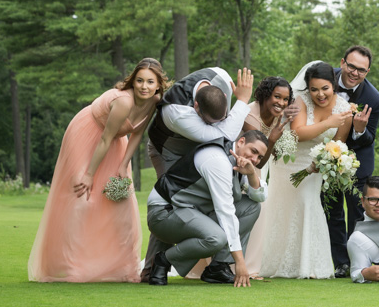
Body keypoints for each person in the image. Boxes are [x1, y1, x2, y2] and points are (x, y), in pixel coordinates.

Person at [28, 58, 169, 282]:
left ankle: (121, 267)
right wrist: (89, 174)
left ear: (158, 85)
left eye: (150, 82)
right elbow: (104, 139)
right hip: (88, 134)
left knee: (118, 199)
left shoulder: (155, 101)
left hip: (116, 141)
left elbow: (138, 133)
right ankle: (73, 266)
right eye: (139, 80)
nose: (144, 86)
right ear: (133, 81)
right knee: (82, 196)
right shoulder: (123, 102)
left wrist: (123, 164)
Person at [140, 66, 254, 281]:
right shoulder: (177, 112)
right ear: (196, 107)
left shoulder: (221, 77)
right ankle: (152, 267)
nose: (219, 122)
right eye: (211, 121)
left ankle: (217, 266)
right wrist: (243, 100)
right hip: (169, 150)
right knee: (170, 202)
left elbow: (222, 130)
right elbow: (225, 132)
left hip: (202, 148)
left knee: (214, 200)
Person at [259, 62, 353, 279]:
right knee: (281, 207)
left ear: (333, 85)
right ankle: (275, 260)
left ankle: (309, 265)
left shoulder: (344, 111)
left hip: (314, 167)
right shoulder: (301, 101)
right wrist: (329, 122)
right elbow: (298, 132)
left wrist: (327, 162)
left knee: (308, 203)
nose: (319, 94)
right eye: (314, 89)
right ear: (307, 88)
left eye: (325, 88)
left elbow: (338, 144)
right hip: (289, 161)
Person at [146, 131, 269, 287]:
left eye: (259, 157)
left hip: (194, 212)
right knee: (216, 238)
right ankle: (163, 260)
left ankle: (218, 267)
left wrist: (251, 174)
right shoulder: (217, 160)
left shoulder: (239, 160)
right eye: (254, 151)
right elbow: (225, 211)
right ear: (241, 142)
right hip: (165, 212)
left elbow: (260, 197)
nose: (255, 159)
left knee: (251, 207)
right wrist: (240, 261)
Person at [328, 45, 379, 278]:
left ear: (367, 72)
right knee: (331, 211)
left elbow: (370, 137)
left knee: (357, 212)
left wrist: (359, 130)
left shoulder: (374, 98)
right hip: (327, 158)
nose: (354, 72)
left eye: (361, 70)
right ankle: (339, 262)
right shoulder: (324, 78)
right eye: (351, 66)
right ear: (342, 62)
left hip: (357, 162)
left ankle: (357, 260)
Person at [241, 76, 299, 275]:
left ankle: (250, 268)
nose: (281, 103)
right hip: (240, 168)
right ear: (266, 95)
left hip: (253, 170)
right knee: (256, 209)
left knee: (260, 212)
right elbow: (259, 160)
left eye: (285, 99)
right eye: (277, 97)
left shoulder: (278, 116)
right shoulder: (250, 116)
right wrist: (272, 140)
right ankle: (237, 267)